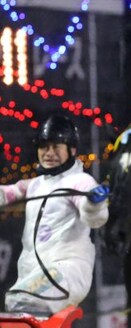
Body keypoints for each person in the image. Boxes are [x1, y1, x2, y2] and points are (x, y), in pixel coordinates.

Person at [0, 114, 109, 315]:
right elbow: (7, 193)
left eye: (56, 147)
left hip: (67, 273)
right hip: (38, 276)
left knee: (21, 299)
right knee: (16, 305)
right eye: (44, 147)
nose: (49, 153)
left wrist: (95, 203)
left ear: (72, 150)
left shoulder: (80, 181)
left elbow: (95, 218)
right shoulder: (36, 185)